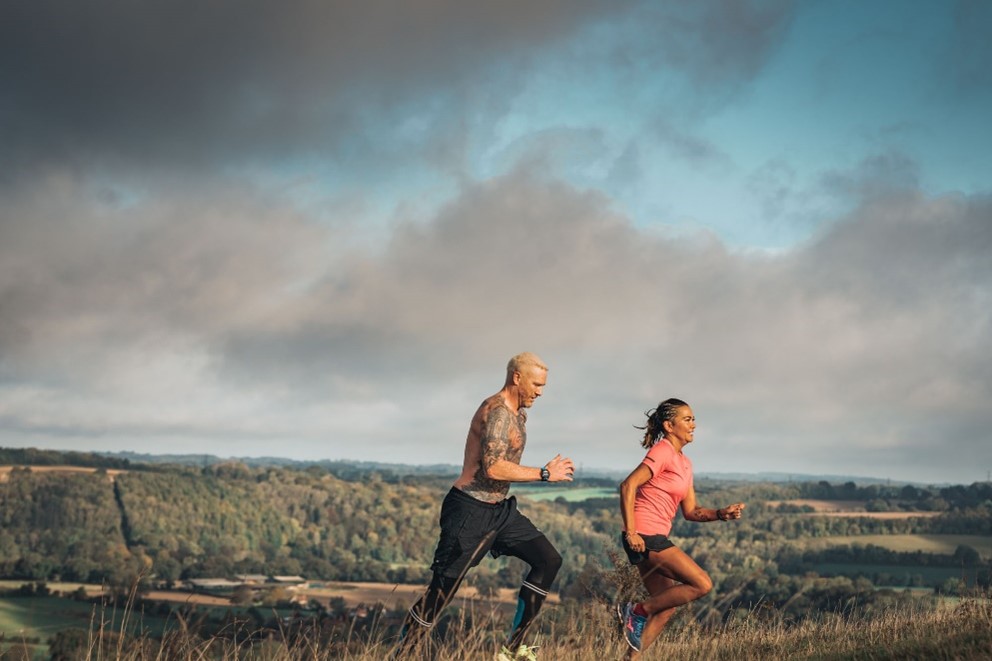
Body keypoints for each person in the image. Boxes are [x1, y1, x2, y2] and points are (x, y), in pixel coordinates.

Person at [394, 352, 575, 660]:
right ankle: (402, 655)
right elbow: (493, 467)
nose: (540, 392)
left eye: (543, 386)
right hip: (468, 511)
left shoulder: (519, 413)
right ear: (517, 377)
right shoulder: (498, 412)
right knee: (441, 593)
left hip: (499, 512)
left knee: (548, 560)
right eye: (536, 385)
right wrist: (544, 474)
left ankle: (512, 650)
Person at [617, 398, 745, 657]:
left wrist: (721, 513)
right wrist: (631, 533)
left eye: (693, 419)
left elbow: (691, 511)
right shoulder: (663, 451)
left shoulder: (684, 463)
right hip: (644, 535)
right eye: (687, 419)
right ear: (669, 425)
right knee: (702, 583)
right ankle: (637, 610)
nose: (693, 424)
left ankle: (631, 658)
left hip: (651, 537)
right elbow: (628, 485)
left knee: (666, 606)